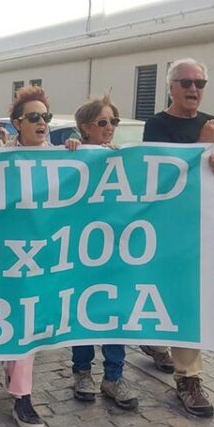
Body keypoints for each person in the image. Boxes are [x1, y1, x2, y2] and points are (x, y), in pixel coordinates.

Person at [141, 58, 214, 417]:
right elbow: (162, 177)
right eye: (185, 82)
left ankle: (188, 377)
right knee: (169, 297)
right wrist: (202, 147)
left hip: (206, 230)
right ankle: (156, 344)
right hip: (170, 231)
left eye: (199, 83)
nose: (193, 89)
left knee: (191, 302)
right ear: (171, 87)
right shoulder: (157, 125)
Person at [2, 85, 81, 427]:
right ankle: (21, 395)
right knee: (21, 324)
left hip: (48, 257)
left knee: (28, 325)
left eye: (45, 117)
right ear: (17, 124)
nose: (42, 123)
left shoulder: (62, 157)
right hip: (7, 257)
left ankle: (18, 385)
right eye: (33, 117)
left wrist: (85, 153)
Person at [70, 94, 138, 410]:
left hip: (115, 252)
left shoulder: (121, 158)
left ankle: (114, 376)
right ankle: (81, 372)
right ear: (84, 128)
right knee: (82, 312)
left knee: (114, 312)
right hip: (80, 251)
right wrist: (71, 153)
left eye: (113, 121)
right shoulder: (72, 157)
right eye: (102, 122)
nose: (110, 127)